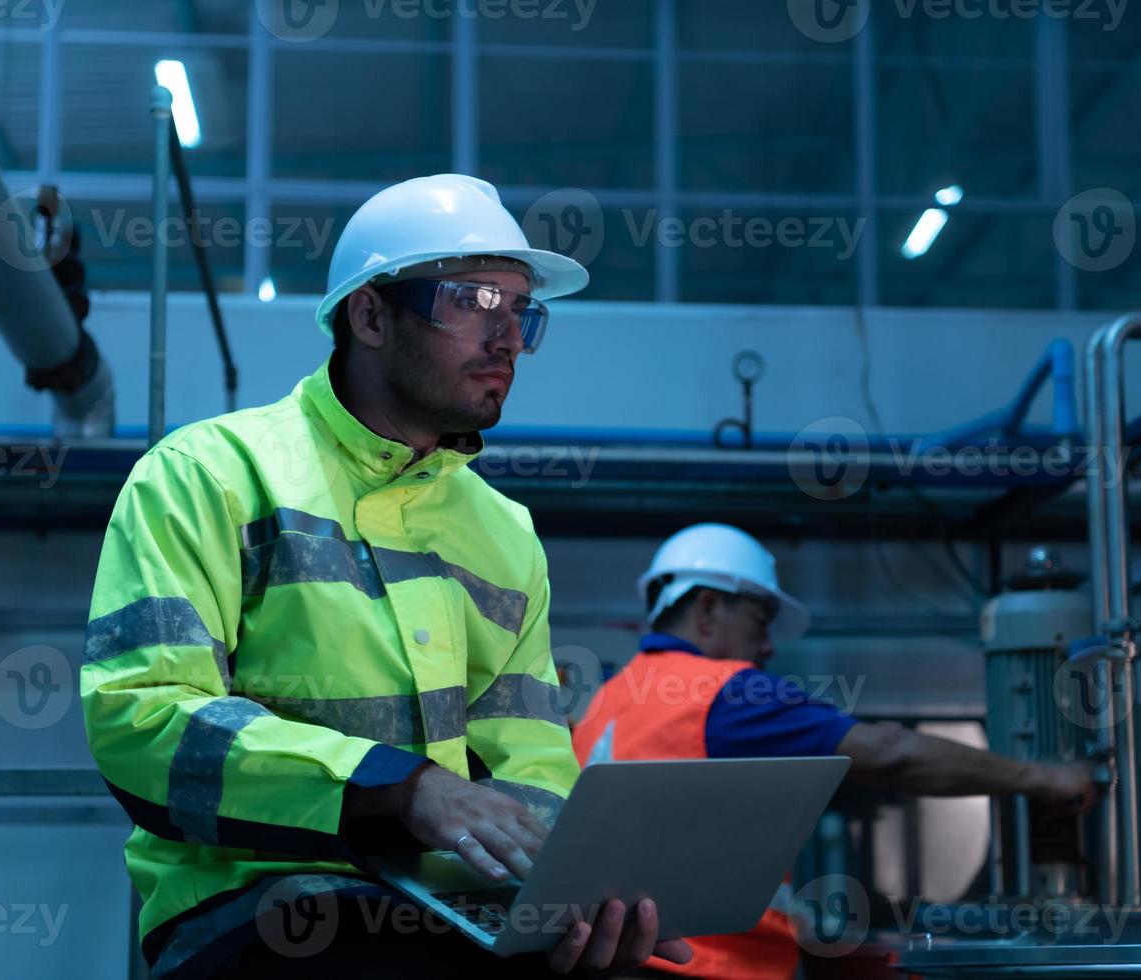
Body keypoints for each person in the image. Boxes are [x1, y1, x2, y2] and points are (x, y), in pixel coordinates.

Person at [81, 174, 691, 977]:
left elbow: (529, 761)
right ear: (369, 314)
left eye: (519, 311)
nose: (507, 337)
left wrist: (571, 896)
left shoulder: (504, 532)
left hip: (455, 911)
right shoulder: (210, 474)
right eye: (473, 302)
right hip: (257, 905)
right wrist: (396, 788)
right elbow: (142, 719)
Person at [572, 523, 1096, 980]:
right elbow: (891, 754)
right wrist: (1047, 779)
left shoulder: (607, 701)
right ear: (708, 609)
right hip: (708, 967)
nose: (769, 647)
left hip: (610, 964)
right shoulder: (728, 693)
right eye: (761, 622)